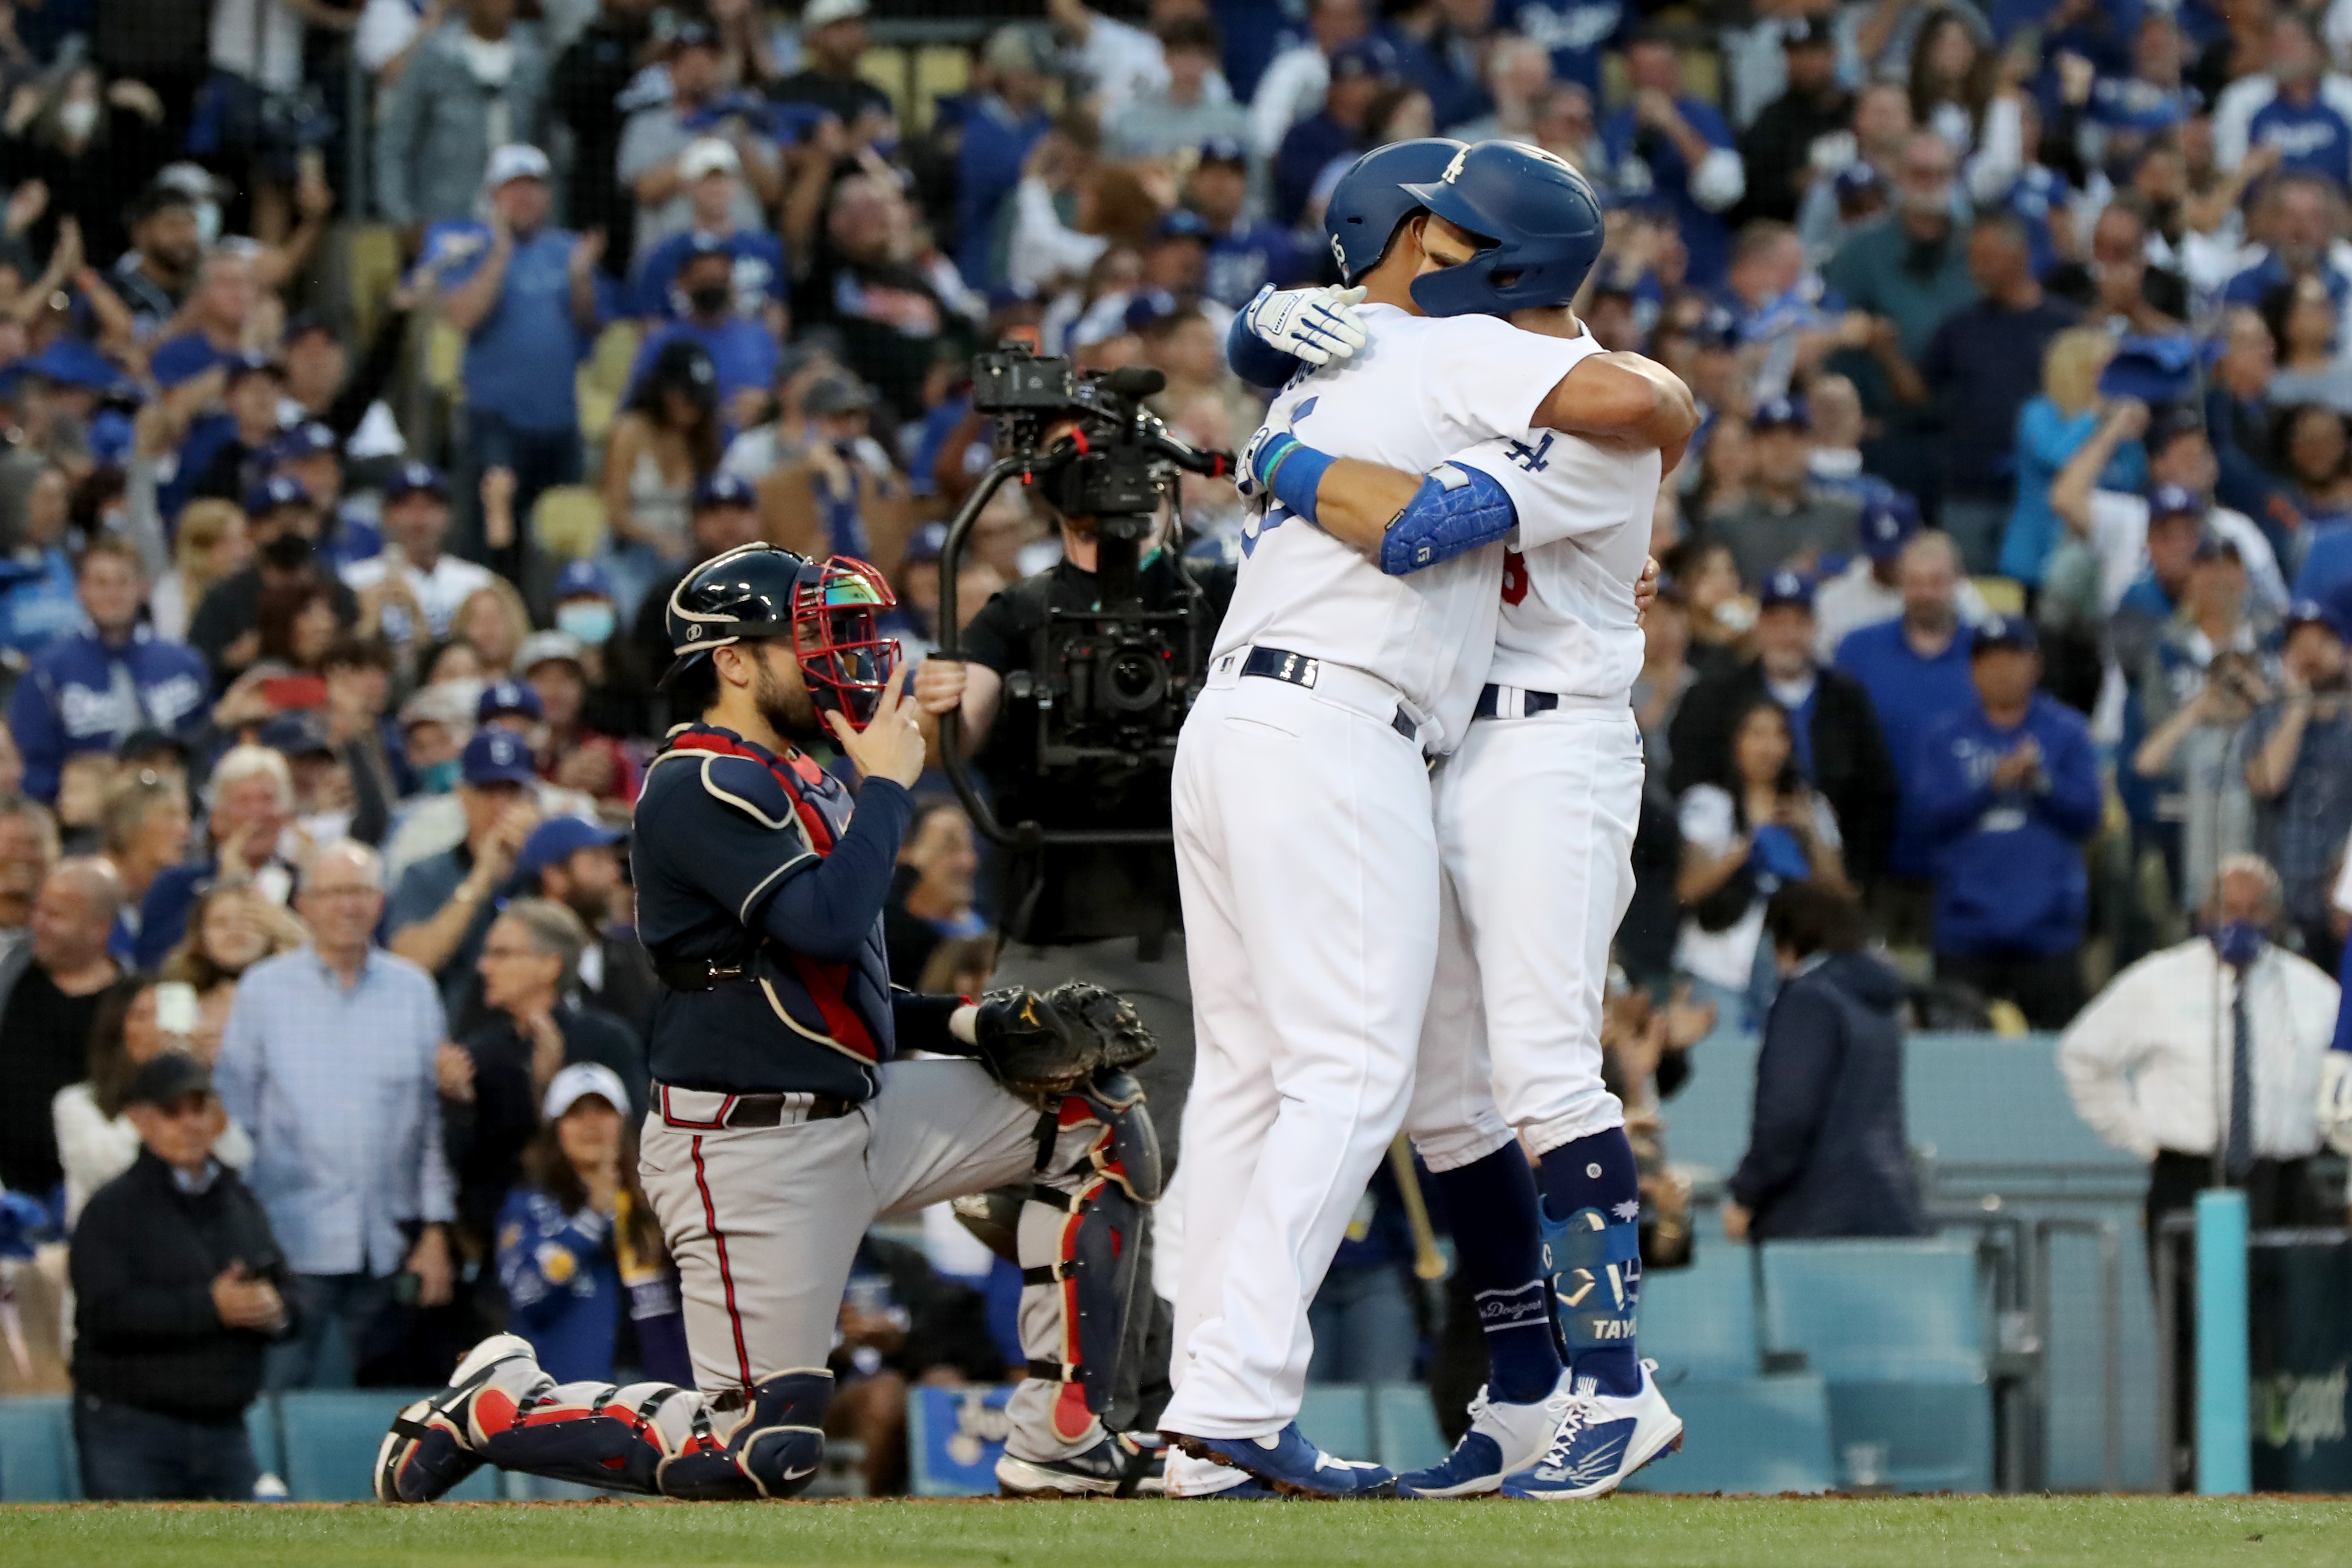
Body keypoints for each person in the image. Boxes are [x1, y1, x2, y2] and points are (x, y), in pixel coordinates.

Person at [375, 544, 1163, 1504]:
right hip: (744, 1144)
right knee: (756, 1453)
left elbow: (843, 997)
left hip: (861, 1108)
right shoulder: (694, 780)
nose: (840, 658)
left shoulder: (808, 775)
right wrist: (887, 783)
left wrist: (972, 1021)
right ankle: (500, 1403)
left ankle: (1061, 1439)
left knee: (1096, 1117)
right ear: (734, 661)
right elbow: (823, 925)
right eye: (806, 638)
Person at [1156, 138, 1688, 1501]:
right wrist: (1261, 341)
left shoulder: (1508, 377)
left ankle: (1611, 1383)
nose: (1433, 249)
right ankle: (1498, 1394)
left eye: (1459, 232)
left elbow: (1452, 507)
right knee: (1421, 1090)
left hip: (1540, 744)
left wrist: (1272, 447)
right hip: (1399, 744)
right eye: (1428, 230)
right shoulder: (1429, 354)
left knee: (1510, 1070)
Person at [217, 841, 456, 1391]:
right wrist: (238, 1237)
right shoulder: (264, 992)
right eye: (334, 893)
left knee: (387, 1415)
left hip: (389, 1245)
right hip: (288, 1242)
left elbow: (431, 1125)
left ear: (381, 903)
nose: (348, 906)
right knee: (280, 1402)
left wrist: (436, 1229)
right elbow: (235, 1120)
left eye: (361, 892)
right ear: (305, 904)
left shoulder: (414, 991)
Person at [66, 1052, 290, 1501]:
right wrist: (211, 1306)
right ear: (141, 1120)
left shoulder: (240, 1201)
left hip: (225, 1424)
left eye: (200, 1108)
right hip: (131, 1426)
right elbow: (101, 1315)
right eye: (173, 1112)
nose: (190, 1124)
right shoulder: (111, 1209)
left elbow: (286, 1287)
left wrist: (276, 1309)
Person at [1914, 616, 2102, 1029]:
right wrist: (1992, 786)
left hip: (2048, 934)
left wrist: (2040, 783)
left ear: (2035, 665)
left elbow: (2088, 817)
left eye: (2013, 659)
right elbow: (1930, 820)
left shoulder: (2067, 733)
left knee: (2056, 1063)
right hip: (1967, 933)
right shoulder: (1944, 737)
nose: (2002, 670)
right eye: (1990, 660)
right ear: (1974, 670)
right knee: (1958, 1064)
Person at [436, 144, 605, 576]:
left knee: (561, 537)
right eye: (513, 190)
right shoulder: (467, 247)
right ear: (492, 197)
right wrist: (499, 253)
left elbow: (591, 327)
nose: (524, 199)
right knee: (493, 538)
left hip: (558, 421)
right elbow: (464, 318)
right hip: (496, 421)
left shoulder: (567, 250)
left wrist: (581, 279)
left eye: (533, 189)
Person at [1668, 570, 1896, 889]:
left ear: (1815, 627)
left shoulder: (1846, 699)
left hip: (1826, 874)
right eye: (1776, 622)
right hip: (1730, 875)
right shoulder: (1715, 697)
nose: (1788, 634)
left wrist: (1856, 874)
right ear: (1759, 625)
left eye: (1799, 622)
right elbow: (1687, 781)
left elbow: (1876, 792)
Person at [1723, 884, 1925, 1241]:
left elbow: (1788, 1114)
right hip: (1890, 1206)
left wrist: (1747, 1193)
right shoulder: (1877, 1004)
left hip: (1814, 1216)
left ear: (1788, 938)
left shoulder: (1808, 999)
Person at [495, 1061, 686, 1387]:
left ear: (624, 1123)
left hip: (662, 1390)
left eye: (604, 1110)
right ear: (556, 1129)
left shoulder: (660, 1199)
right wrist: (592, 1219)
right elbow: (528, 1298)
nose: (591, 1124)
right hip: (570, 1396)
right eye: (576, 1113)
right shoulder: (528, 1208)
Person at [1912, 213, 2082, 573]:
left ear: (2018, 256)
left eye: (1984, 257)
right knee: (1970, 599)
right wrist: (1887, 354)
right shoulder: (1960, 325)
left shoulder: (2065, 325)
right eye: (1972, 257)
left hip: (2042, 494)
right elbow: (1919, 391)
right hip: (1969, 490)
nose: (1974, 268)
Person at [8, 539, 209, 804]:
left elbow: (206, 746)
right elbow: (33, 760)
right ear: (81, 591)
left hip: (175, 806)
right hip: (82, 820)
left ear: (142, 587)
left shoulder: (183, 664)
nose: (113, 594)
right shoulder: (48, 671)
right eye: (101, 584)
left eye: (123, 582)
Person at [53, 979, 254, 1225]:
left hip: (193, 1239)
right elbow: (102, 1172)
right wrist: (154, 1085)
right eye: (142, 1016)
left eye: (165, 1015)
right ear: (117, 1027)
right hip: (112, 1241)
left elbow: (238, 1160)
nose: (158, 1029)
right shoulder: (77, 1102)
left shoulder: (203, 1095)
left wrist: (192, 1078)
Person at [387, 728, 545, 1019]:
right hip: (451, 1040)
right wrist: (481, 877)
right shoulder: (425, 874)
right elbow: (409, 963)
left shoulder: (547, 873)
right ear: (463, 796)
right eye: (488, 791)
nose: (501, 806)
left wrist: (543, 856)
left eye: (511, 792)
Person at [0, 858, 125, 1198]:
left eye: (55, 915)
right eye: (38, 910)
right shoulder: (12, 977)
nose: (37, 924)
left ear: (99, 928)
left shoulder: (132, 1005)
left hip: (89, 1194)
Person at [374, 0, 552, 230]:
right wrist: (402, 218)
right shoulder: (436, 55)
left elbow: (546, 147)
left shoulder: (532, 61)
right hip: (443, 217)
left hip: (517, 226)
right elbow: (395, 141)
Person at [2241, 607, 2352, 969]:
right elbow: (2266, 783)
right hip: (2279, 908)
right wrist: (2298, 709)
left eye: (2323, 642)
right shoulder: (2267, 718)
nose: (2311, 655)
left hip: (2339, 911)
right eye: (2300, 644)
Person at [133, 746, 299, 971]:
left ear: (287, 814)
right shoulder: (176, 886)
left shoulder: (306, 882)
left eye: (268, 799)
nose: (258, 813)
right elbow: (154, 964)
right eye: (243, 801)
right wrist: (225, 885)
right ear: (216, 819)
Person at [1600, 31, 1744, 286]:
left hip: (1697, 258)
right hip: (1635, 267)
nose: (1651, 76)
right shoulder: (1617, 124)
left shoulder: (1702, 116)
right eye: (1642, 68)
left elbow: (1725, 190)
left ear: (1675, 69)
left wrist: (1673, 124)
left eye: (1659, 67)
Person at [514, 814, 657, 1037]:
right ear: (554, 876)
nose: (615, 873)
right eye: (597, 860)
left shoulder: (637, 958)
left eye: (613, 861)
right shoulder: (510, 961)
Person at [341, 464, 495, 655]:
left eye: (429, 507)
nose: (419, 518)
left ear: (449, 516)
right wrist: (369, 621)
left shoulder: (476, 582)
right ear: (386, 515)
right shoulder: (355, 580)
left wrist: (418, 615)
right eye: (407, 506)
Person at [1705, 397, 1861, 585]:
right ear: (1753, 449)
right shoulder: (1726, 523)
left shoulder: (1843, 515)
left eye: (1794, 439)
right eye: (1772, 441)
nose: (1783, 450)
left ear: (1811, 446)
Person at [884, 798, 989, 990]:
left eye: (970, 847)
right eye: (950, 848)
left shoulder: (991, 934)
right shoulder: (887, 949)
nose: (968, 862)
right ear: (905, 853)